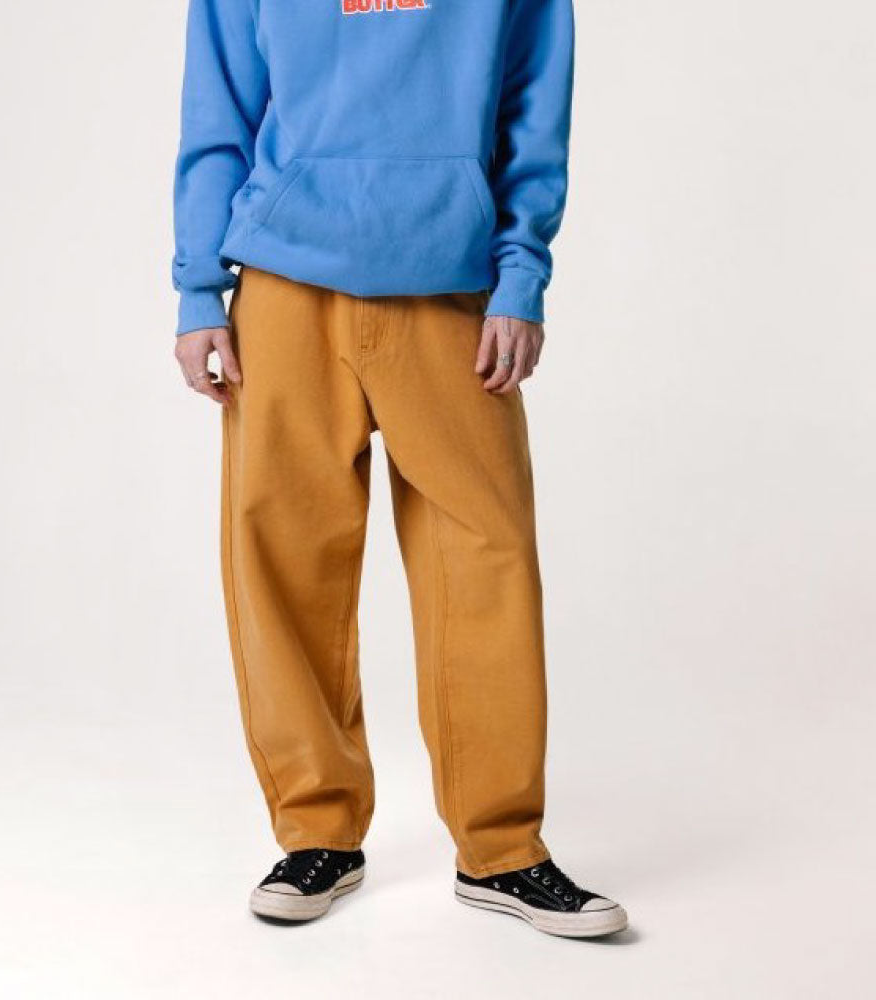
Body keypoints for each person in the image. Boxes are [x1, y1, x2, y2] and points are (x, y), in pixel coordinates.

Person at [172, 0, 626, 938]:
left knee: (487, 562)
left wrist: (521, 277)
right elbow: (218, 115)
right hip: (284, 285)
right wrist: (197, 292)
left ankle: (502, 849)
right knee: (282, 561)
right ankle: (317, 833)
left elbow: (534, 111)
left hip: (452, 289)